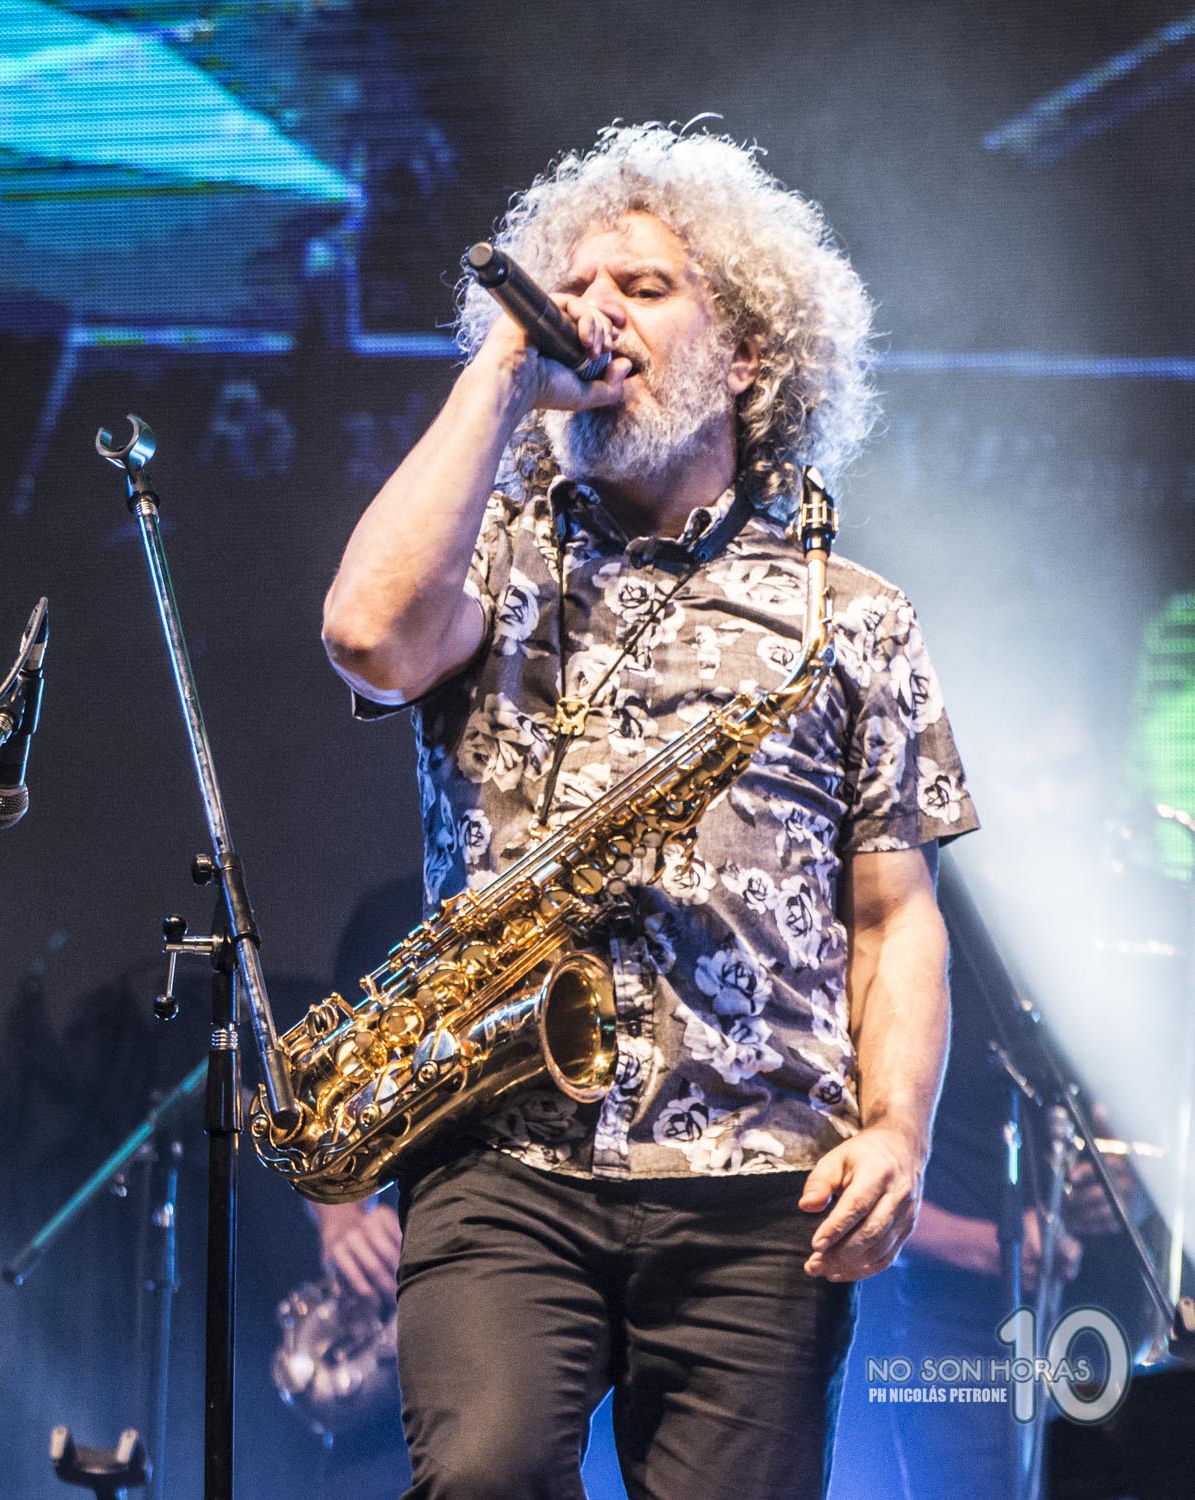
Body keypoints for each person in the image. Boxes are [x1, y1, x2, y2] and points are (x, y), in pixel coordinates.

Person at [318, 125, 979, 1499]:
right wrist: (504, 371)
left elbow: (893, 919)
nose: (593, 312)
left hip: (761, 1183)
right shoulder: (487, 561)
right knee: (482, 1475)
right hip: (502, 1151)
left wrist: (898, 1134)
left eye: (644, 287)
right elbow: (368, 637)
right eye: (574, 287)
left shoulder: (853, 617)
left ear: (746, 353)